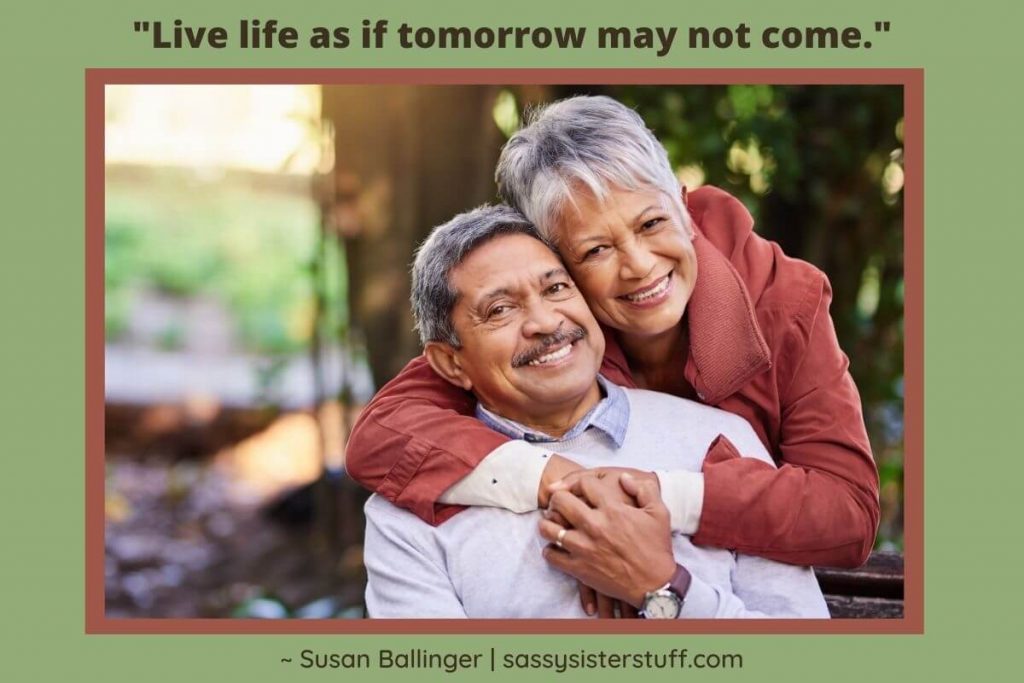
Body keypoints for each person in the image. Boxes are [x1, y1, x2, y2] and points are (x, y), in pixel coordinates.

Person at [348, 95, 879, 601]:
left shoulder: (783, 300)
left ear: (683, 207)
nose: (641, 265)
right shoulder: (551, 331)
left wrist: (645, 500)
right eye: (596, 249)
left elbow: (846, 512)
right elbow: (382, 435)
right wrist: (556, 480)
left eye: (652, 224)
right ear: (556, 262)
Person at [363, 205, 830, 618]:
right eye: (501, 309)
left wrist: (662, 590)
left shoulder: (718, 441)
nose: (546, 322)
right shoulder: (409, 510)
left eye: (557, 288)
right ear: (451, 362)